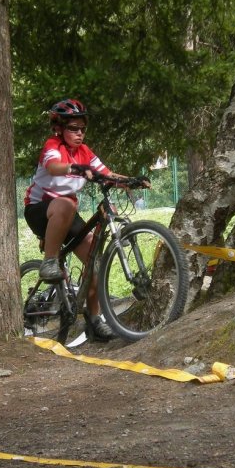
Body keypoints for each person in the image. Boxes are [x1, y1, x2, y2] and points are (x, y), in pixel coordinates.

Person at [23, 99, 148, 342]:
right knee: (67, 203)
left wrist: (130, 180)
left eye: (82, 129)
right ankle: (49, 262)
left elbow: (106, 174)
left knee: (94, 262)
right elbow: (53, 166)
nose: (79, 133)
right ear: (60, 128)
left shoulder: (85, 151)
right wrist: (75, 168)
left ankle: (94, 321)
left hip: (66, 214)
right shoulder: (53, 145)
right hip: (39, 210)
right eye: (73, 128)